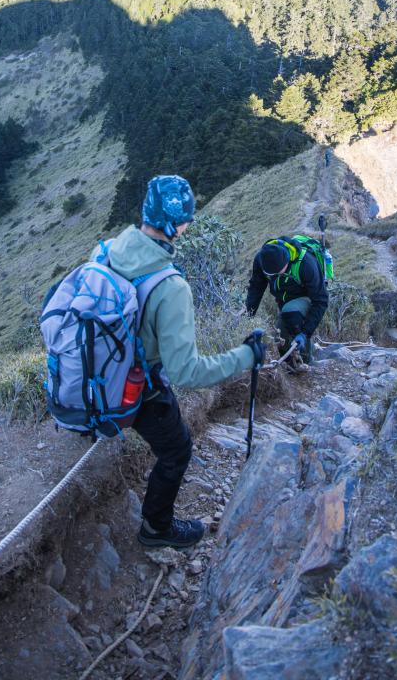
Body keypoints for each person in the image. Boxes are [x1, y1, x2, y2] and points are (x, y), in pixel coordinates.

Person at [109, 175, 265, 549]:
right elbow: (185, 372)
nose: (188, 225)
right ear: (174, 224)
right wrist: (246, 355)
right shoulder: (170, 287)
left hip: (100, 373)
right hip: (138, 384)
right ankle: (156, 529)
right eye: (186, 219)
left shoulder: (112, 249)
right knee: (177, 450)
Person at [245, 236, 329, 364]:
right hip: (284, 300)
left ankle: (305, 363)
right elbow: (256, 287)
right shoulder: (262, 259)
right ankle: (290, 364)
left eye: (278, 273)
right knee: (281, 336)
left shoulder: (306, 264)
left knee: (292, 316)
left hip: (306, 296)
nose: (275, 276)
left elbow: (321, 300)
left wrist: (305, 333)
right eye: (271, 275)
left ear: (287, 262)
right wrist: (248, 316)